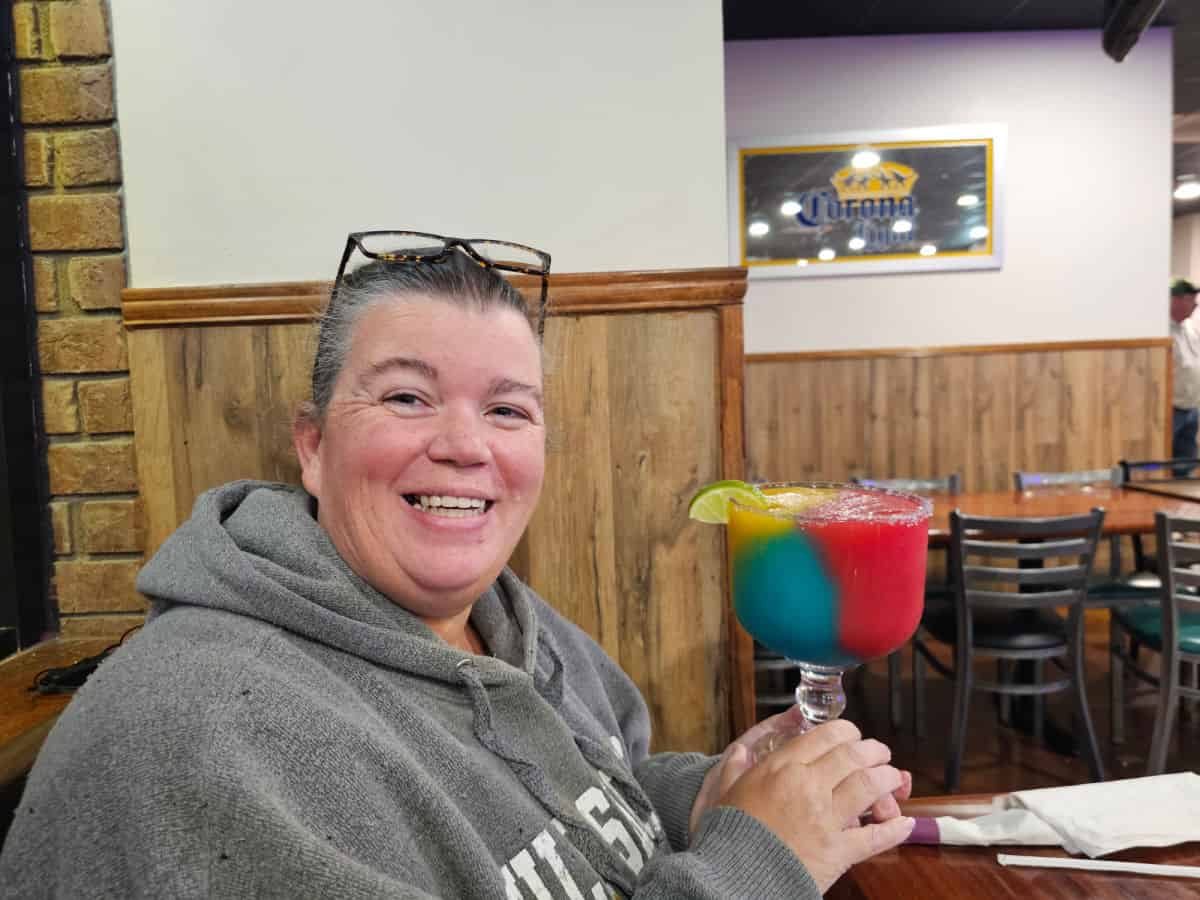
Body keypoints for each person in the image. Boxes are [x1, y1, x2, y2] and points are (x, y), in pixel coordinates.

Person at [0, 232, 915, 898]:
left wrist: (703, 797)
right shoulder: (199, 735)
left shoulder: (513, 625)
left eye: (509, 411)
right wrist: (756, 861)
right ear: (312, 447)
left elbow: (583, 814)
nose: (465, 447)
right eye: (407, 396)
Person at [1171, 277, 1200, 465]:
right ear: (1176, 300)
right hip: (1173, 409)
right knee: (1164, 461)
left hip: (1192, 406)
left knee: (1187, 464)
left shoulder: (1188, 327)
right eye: (1190, 299)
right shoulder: (1162, 330)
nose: (1195, 304)